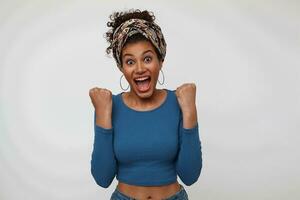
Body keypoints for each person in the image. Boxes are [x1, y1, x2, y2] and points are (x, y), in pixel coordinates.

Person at [89, 9, 202, 200]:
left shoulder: (181, 102)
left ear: (161, 61)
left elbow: (190, 176)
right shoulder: (109, 105)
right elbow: (102, 178)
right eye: (130, 61)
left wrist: (190, 111)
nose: (140, 69)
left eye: (147, 59)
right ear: (121, 67)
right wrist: (102, 116)